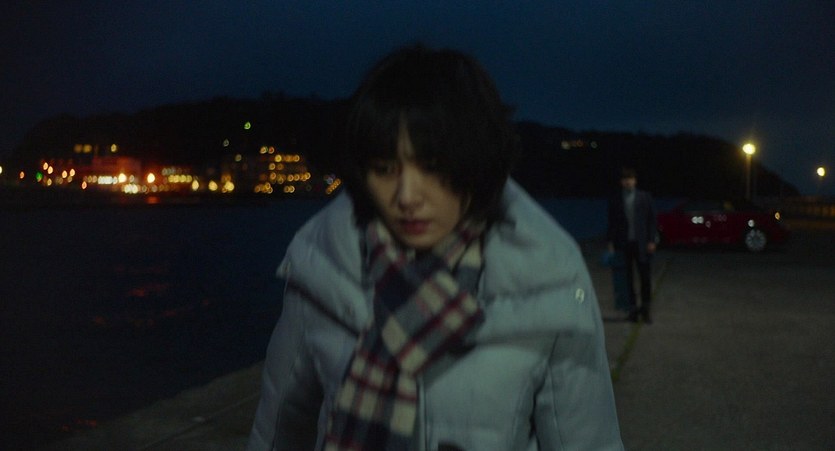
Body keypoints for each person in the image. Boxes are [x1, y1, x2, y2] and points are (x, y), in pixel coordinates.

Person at [246, 44, 623, 451]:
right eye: (385, 169)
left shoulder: (550, 283)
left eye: (432, 167)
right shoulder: (321, 268)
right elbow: (278, 428)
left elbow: (587, 440)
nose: (407, 196)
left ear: (478, 163)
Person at [606, 167, 659, 323]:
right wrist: (610, 242)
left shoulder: (645, 197)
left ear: (635, 181)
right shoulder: (616, 198)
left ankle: (646, 311)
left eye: (630, 179)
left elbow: (651, 220)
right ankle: (633, 311)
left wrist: (652, 240)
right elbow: (612, 222)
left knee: (645, 278)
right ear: (621, 182)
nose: (628, 182)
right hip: (624, 244)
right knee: (627, 280)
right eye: (625, 179)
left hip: (642, 244)